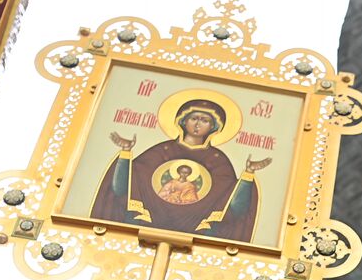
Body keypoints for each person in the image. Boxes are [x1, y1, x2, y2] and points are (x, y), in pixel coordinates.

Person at [91, 98, 271, 242]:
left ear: (214, 127)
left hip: (197, 232)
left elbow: (233, 209)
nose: (198, 124)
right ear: (183, 122)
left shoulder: (218, 161)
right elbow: (123, 189)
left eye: (205, 120)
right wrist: (125, 153)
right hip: (144, 224)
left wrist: (248, 175)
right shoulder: (162, 150)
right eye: (194, 118)